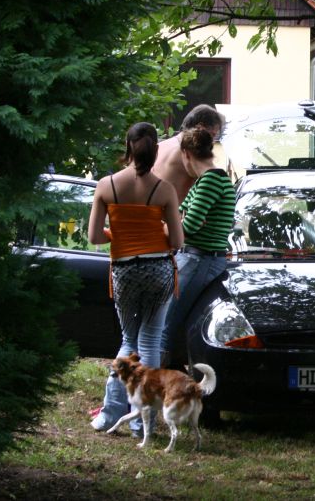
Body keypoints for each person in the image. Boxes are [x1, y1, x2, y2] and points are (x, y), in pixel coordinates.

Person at [87, 122, 184, 435]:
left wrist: (118, 234)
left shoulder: (106, 186)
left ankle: (109, 416)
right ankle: (143, 425)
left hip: (125, 271)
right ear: (155, 149)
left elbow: (94, 237)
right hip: (159, 271)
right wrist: (157, 231)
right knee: (150, 341)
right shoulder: (164, 189)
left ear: (127, 147)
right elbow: (177, 241)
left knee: (129, 340)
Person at [161, 127, 236, 368]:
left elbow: (188, 226)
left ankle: (152, 385)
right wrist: (178, 221)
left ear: (186, 154)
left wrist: (170, 225)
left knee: (162, 328)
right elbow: (181, 216)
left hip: (199, 259)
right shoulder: (207, 181)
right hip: (197, 258)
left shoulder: (211, 181)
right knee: (167, 326)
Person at [153, 104, 226, 202]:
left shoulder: (161, 145)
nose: (212, 141)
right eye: (212, 135)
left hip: (153, 208)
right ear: (200, 127)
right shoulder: (190, 151)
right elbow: (214, 181)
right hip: (176, 210)